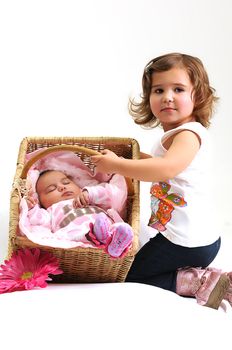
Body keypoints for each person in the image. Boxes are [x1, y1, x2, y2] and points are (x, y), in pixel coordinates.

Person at [91, 52, 232, 309]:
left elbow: (165, 169)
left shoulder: (188, 135)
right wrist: (129, 157)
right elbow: (160, 164)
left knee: (126, 274)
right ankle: (196, 272)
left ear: (197, 96)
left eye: (178, 89)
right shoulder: (179, 135)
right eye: (158, 90)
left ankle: (199, 281)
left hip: (185, 242)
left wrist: (116, 165)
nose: (167, 96)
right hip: (201, 239)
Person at [22, 169, 133, 258]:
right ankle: (95, 235)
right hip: (76, 238)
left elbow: (110, 195)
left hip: (106, 228)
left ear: (79, 187)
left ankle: (114, 246)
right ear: (42, 202)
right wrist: (32, 208)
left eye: (66, 182)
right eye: (51, 189)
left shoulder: (89, 199)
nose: (62, 187)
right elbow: (38, 221)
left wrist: (90, 194)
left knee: (120, 227)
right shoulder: (51, 211)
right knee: (71, 235)